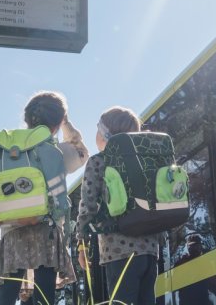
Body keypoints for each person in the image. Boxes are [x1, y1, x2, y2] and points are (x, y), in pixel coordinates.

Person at [0, 92, 88, 305]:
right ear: (55, 124)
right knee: (45, 296)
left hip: (12, 231)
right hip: (46, 231)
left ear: (27, 119)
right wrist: (66, 123)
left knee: (7, 295)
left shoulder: (8, 153)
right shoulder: (55, 152)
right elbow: (82, 153)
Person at [74, 106, 160, 305]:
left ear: (105, 134)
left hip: (118, 250)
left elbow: (88, 205)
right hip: (150, 249)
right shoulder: (146, 161)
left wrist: (81, 244)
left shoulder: (99, 161)